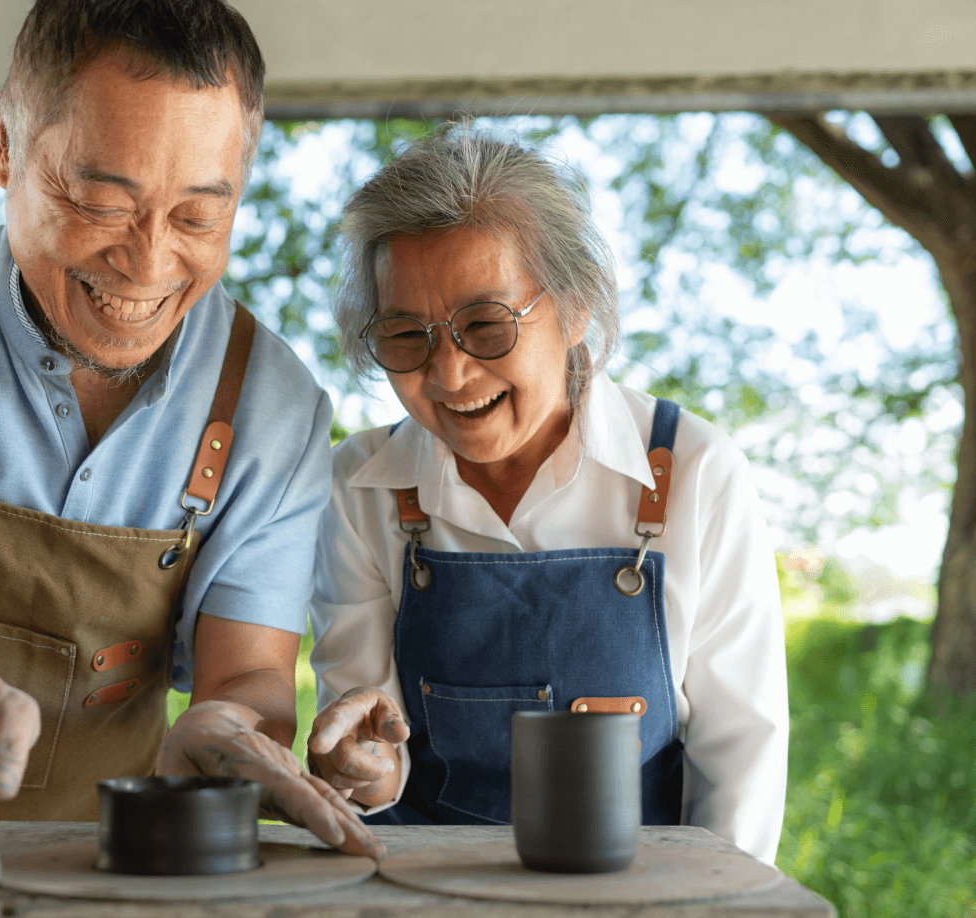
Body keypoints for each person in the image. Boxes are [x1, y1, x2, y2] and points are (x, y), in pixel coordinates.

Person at [0, 0, 382, 886]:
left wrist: (228, 727)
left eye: (199, 217)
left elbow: (250, 682)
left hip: (110, 876)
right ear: (6, 142)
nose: (149, 263)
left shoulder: (274, 409)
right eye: (100, 202)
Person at [304, 128, 789, 865]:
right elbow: (373, 743)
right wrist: (361, 768)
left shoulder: (692, 473)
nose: (451, 376)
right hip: (425, 896)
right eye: (408, 336)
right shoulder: (361, 486)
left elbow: (739, 765)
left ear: (576, 307)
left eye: (486, 326)